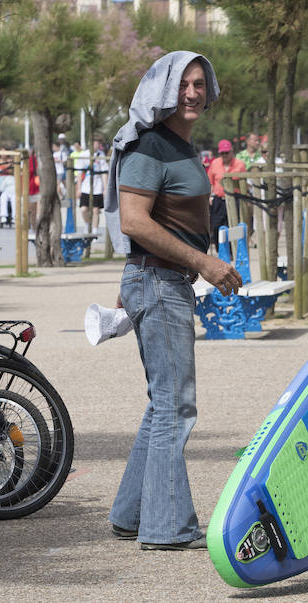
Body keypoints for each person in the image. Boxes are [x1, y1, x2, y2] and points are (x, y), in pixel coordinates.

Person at [105, 51, 242, 551]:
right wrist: (204, 263)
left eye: (200, 83)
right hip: (160, 283)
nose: (192, 92)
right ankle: (166, 527)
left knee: (162, 404)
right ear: (164, 89)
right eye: (184, 83)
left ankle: (131, 514)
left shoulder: (182, 147)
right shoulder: (151, 146)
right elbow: (134, 221)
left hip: (162, 282)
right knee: (175, 407)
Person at [207, 138, 246, 246]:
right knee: (216, 226)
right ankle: (220, 250)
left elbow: (245, 185)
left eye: (227, 152)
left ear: (231, 151)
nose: (225, 155)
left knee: (232, 226)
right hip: (218, 200)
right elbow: (210, 182)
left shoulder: (240, 164)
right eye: (222, 153)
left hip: (234, 199)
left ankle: (232, 251)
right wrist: (209, 197)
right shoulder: (215, 163)